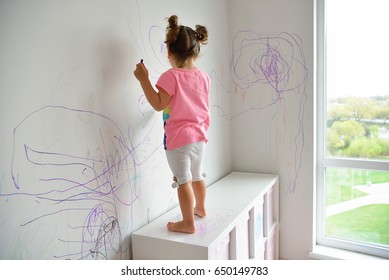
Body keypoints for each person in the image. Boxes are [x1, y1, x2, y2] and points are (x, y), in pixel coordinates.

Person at [134, 15, 210, 234]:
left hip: (178, 140)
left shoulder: (171, 76)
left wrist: (143, 80)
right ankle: (201, 209)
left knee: (183, 180)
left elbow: (159, 104)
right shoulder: (204, 76)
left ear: (169, 52)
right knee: (197, 175)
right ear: (196, 50)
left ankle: (188, 223)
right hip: (199, 137)